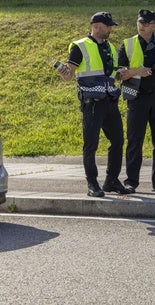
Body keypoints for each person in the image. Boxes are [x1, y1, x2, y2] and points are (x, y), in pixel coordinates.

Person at [56, 11, 131, 197]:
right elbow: (69, 75)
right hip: (92, 104)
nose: (110, 29)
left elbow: (113, 75)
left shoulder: (110, 47)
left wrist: (127, 73)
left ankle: (111, 181)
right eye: (108, 26)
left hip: (110, 102)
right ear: (97, 26)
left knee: (118, 141)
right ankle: (92, 184)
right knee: (91, 145)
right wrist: (64, 72)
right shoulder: (80, 47)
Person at [118, 9, 155, 193]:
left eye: (146, 24)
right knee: (135, 140)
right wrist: (137, 71)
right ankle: (131, 181)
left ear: (154, 25)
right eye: (139, 23)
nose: (142, 27)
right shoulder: (127, 44)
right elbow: (119, 74)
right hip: (137, 97)